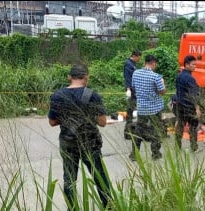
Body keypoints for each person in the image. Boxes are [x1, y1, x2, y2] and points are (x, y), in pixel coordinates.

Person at [48, 64, 111, 209]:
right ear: (86, 77)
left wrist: (67, 119)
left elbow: (52, 122)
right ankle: (109, 206)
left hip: (68, 142)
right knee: (99, 176)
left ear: (69, 77)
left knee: (69, 179)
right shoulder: (93, 95)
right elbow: (102, 122)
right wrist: (88, 117)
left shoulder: (57, 95)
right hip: (90, 142)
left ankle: (72, 208)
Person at [129, 54, 166, 161]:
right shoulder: (156, 77)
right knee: (156, 130)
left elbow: (134, 87)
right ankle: (155, 153)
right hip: (155, 109)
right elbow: (162, 92)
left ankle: (134, 154)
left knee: (138, 130)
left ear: (145, 62)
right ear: (153, 63)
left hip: (142, 108)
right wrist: (163, 84)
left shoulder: (135, 73)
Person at [175, 55, 202, 153]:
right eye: (193, 64)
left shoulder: (179, 76)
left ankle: (177, 146)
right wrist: (197, 108)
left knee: (180, 126)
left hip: (180, 104)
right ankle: (194, 148)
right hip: (189, 106)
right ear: (186, 65)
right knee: (193, 127)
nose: (195, 66)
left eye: (195, 64)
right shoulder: (190, 78)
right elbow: (194, 95)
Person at [123, 50, 142, 127]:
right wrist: (128, 89)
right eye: (138, 58)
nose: (139, 60)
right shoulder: (128, 64)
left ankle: (130, 121)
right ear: (134, 56)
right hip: (131, 88)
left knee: (133, 104)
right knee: (131, 105)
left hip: (134, 87)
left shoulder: (133, 63)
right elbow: (127, 77)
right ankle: (129, 122)